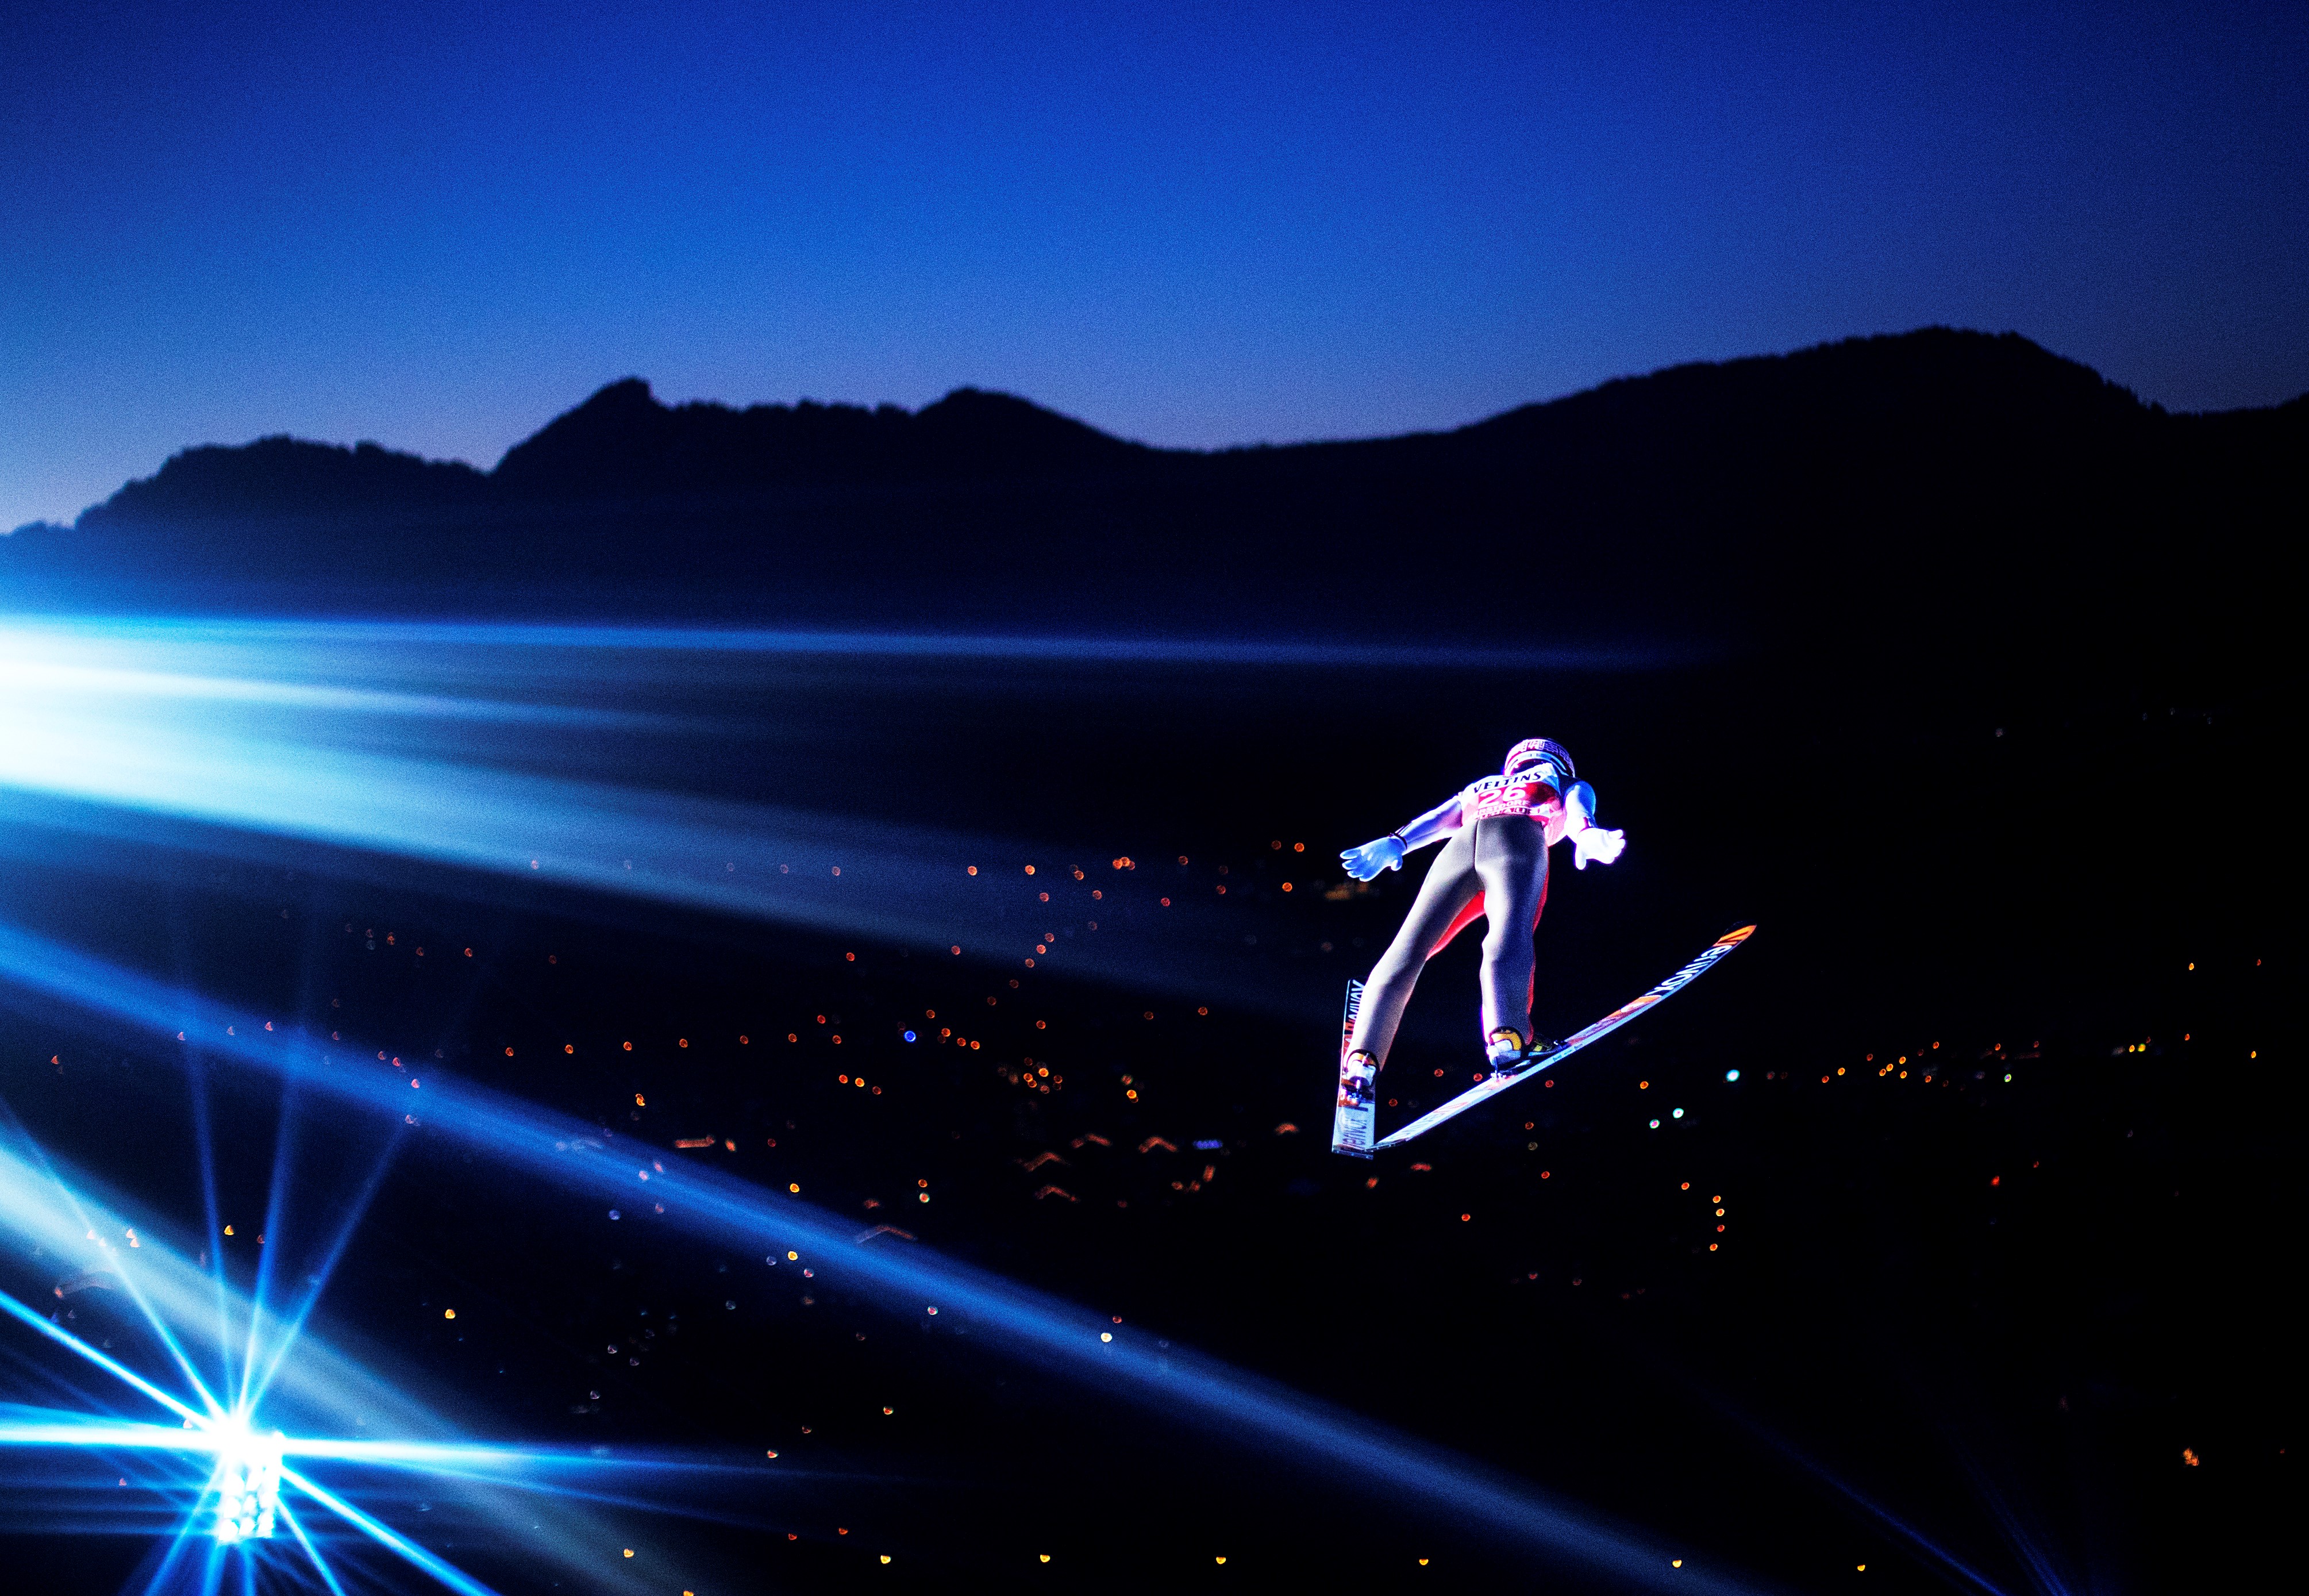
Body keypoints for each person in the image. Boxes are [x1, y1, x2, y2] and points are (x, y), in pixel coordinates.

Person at [1338, 739, 1626, 1084]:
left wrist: (1397, 841)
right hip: (1519, 838)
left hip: (1459, 848)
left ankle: (1363, 1056)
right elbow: (1578, 811)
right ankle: (1509, 1034)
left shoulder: (1484, 784)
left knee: (1410, 946)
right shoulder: (1562, 779)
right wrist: (1587, 834)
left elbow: (1440, 819)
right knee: (1510, 932)